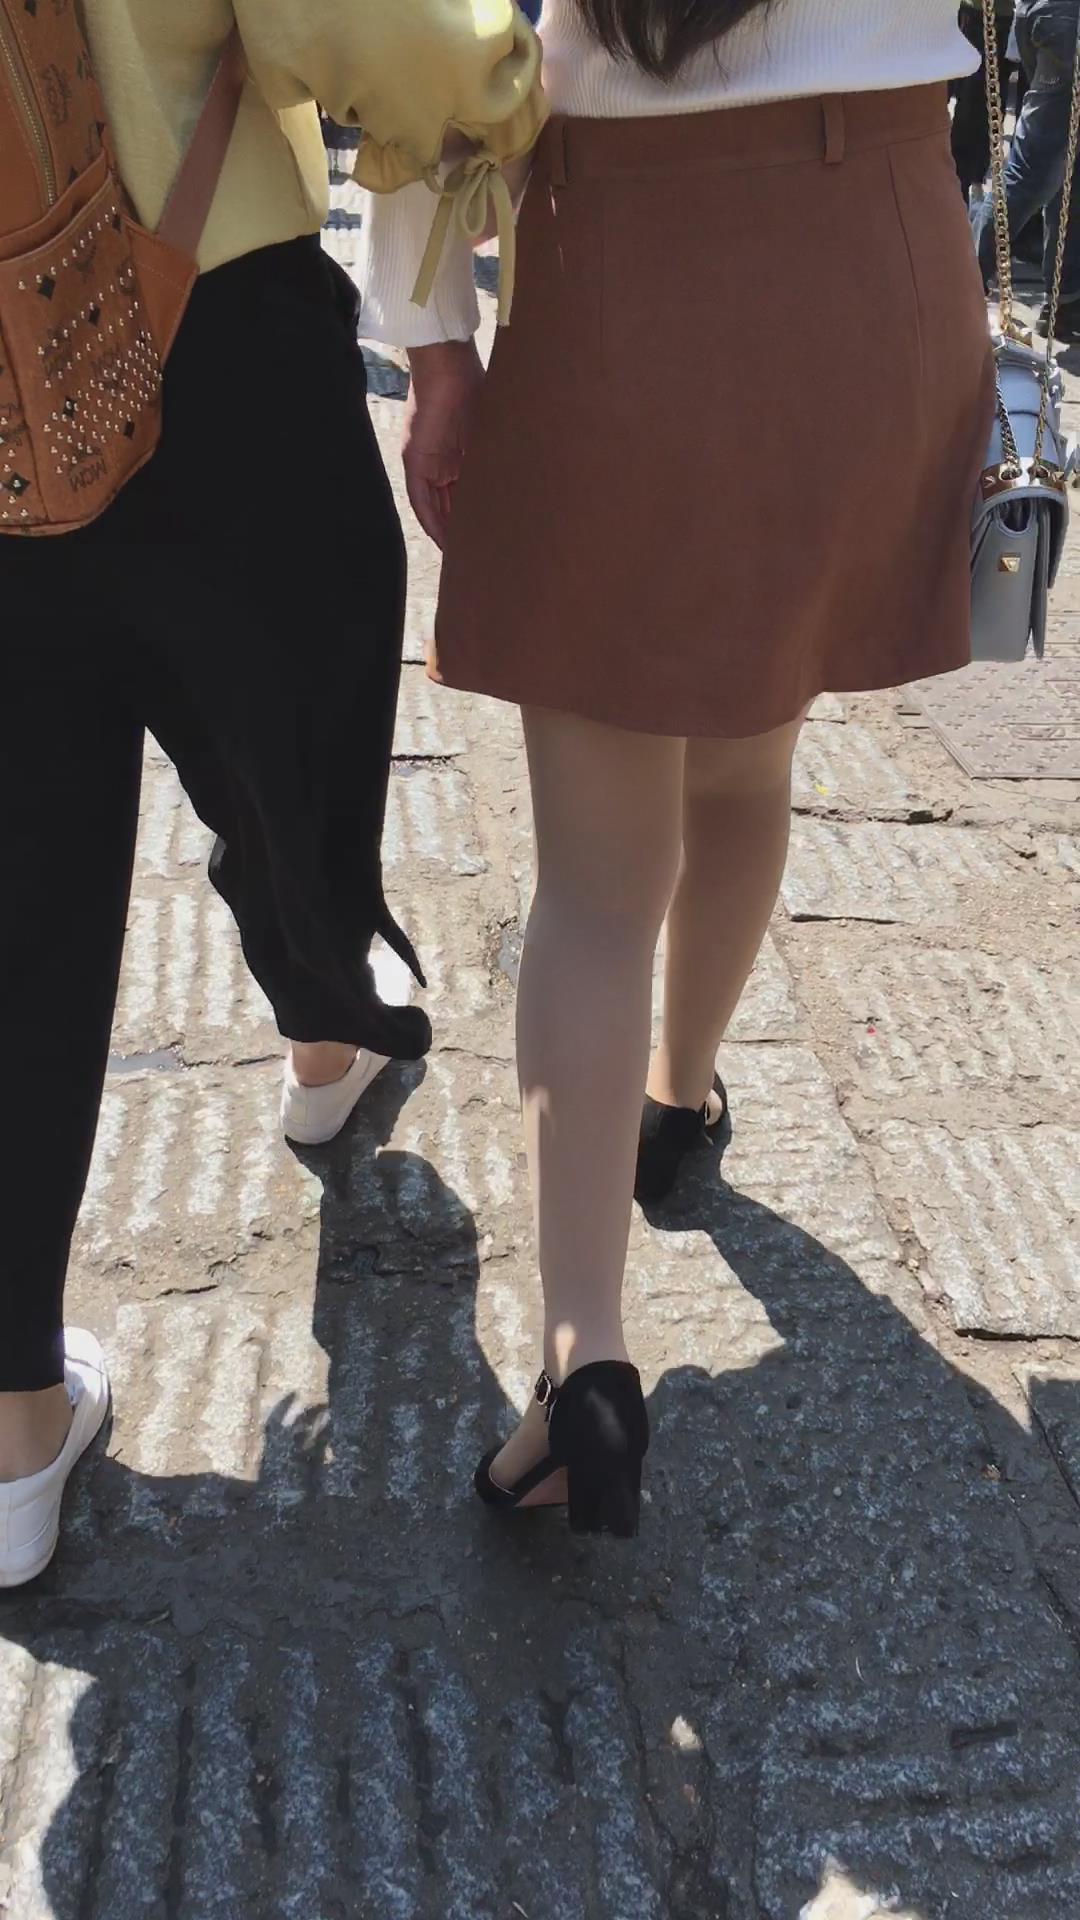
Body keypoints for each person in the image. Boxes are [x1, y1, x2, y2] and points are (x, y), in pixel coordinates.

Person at [360, 0, 995, 1537]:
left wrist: (433, 341)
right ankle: (682, 1094)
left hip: (624, 251)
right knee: (750, 752)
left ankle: (585, 1356)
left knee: (596, 882)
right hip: (877, 245)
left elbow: (425, 36)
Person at [0, 0, 544, 1587]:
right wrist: (522, 80)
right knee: (286, 723)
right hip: (202, 307)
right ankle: (325, 1020)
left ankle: (13, 1430)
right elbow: (387, 35)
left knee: (16, 883)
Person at [974, 0, 1080, 338]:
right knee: (1032, 172)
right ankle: (963, 284)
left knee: (1064, 166)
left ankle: (1063, 303)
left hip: (1049, 15)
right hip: (1065, 20)